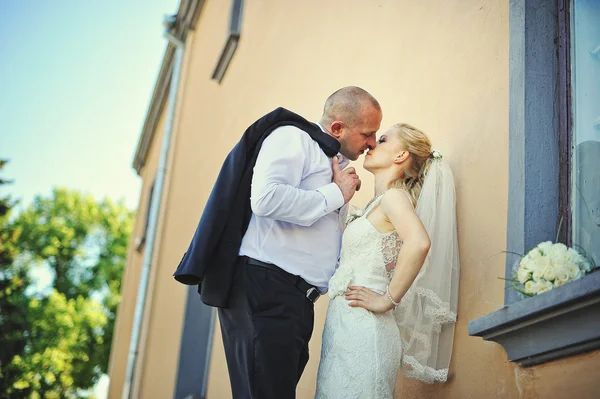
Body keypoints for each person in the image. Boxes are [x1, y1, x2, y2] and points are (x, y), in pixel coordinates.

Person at [214, 86, 382, 398]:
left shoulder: (339, 167)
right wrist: (336, 195)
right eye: (368, 134)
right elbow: (265, 199)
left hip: (295, 303)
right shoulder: (293, 138)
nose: (372, 143)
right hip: (265, 289)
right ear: (337, 128)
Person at [315, 123, 460, 398]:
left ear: (400, 156)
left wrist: (387, 300)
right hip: (343, 327)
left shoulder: (394, 198)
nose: (371, 144)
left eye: (381, 140)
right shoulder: (374, 205)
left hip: (366, 327)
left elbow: (419, 242)